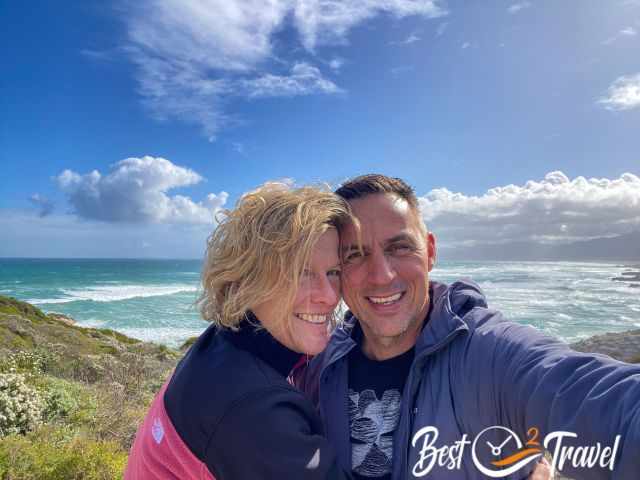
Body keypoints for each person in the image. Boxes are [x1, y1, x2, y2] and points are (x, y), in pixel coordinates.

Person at [296, 174, 640, 480]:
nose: (382, 275)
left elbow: (599, 400)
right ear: (337, 269)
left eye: (399, 247)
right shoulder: (322, 361)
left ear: (429, 251)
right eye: (355, 254)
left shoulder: (491, 356)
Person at [124, 182, 356, 479]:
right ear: (249, 280)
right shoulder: (255, 411)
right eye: (300, 273)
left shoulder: (220, 344)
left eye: (333, 272)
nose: (329, 295)